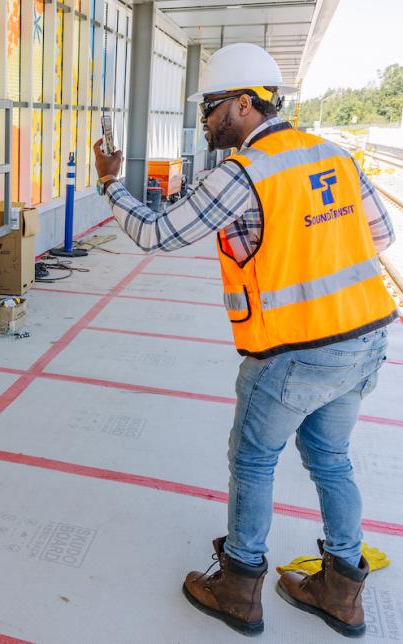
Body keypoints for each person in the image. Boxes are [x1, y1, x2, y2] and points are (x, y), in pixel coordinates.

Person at [92, 43, 396, 637]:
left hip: (292, 353)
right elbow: (379, 236)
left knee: (255, 460)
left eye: (210, 107)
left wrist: (110, 184)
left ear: (241, 103)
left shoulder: (245, 171)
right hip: (363, 342)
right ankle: (341, 591)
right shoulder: (334, 155)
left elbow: (158, 234)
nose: (205, 120)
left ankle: (238, 585)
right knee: (331, 460)